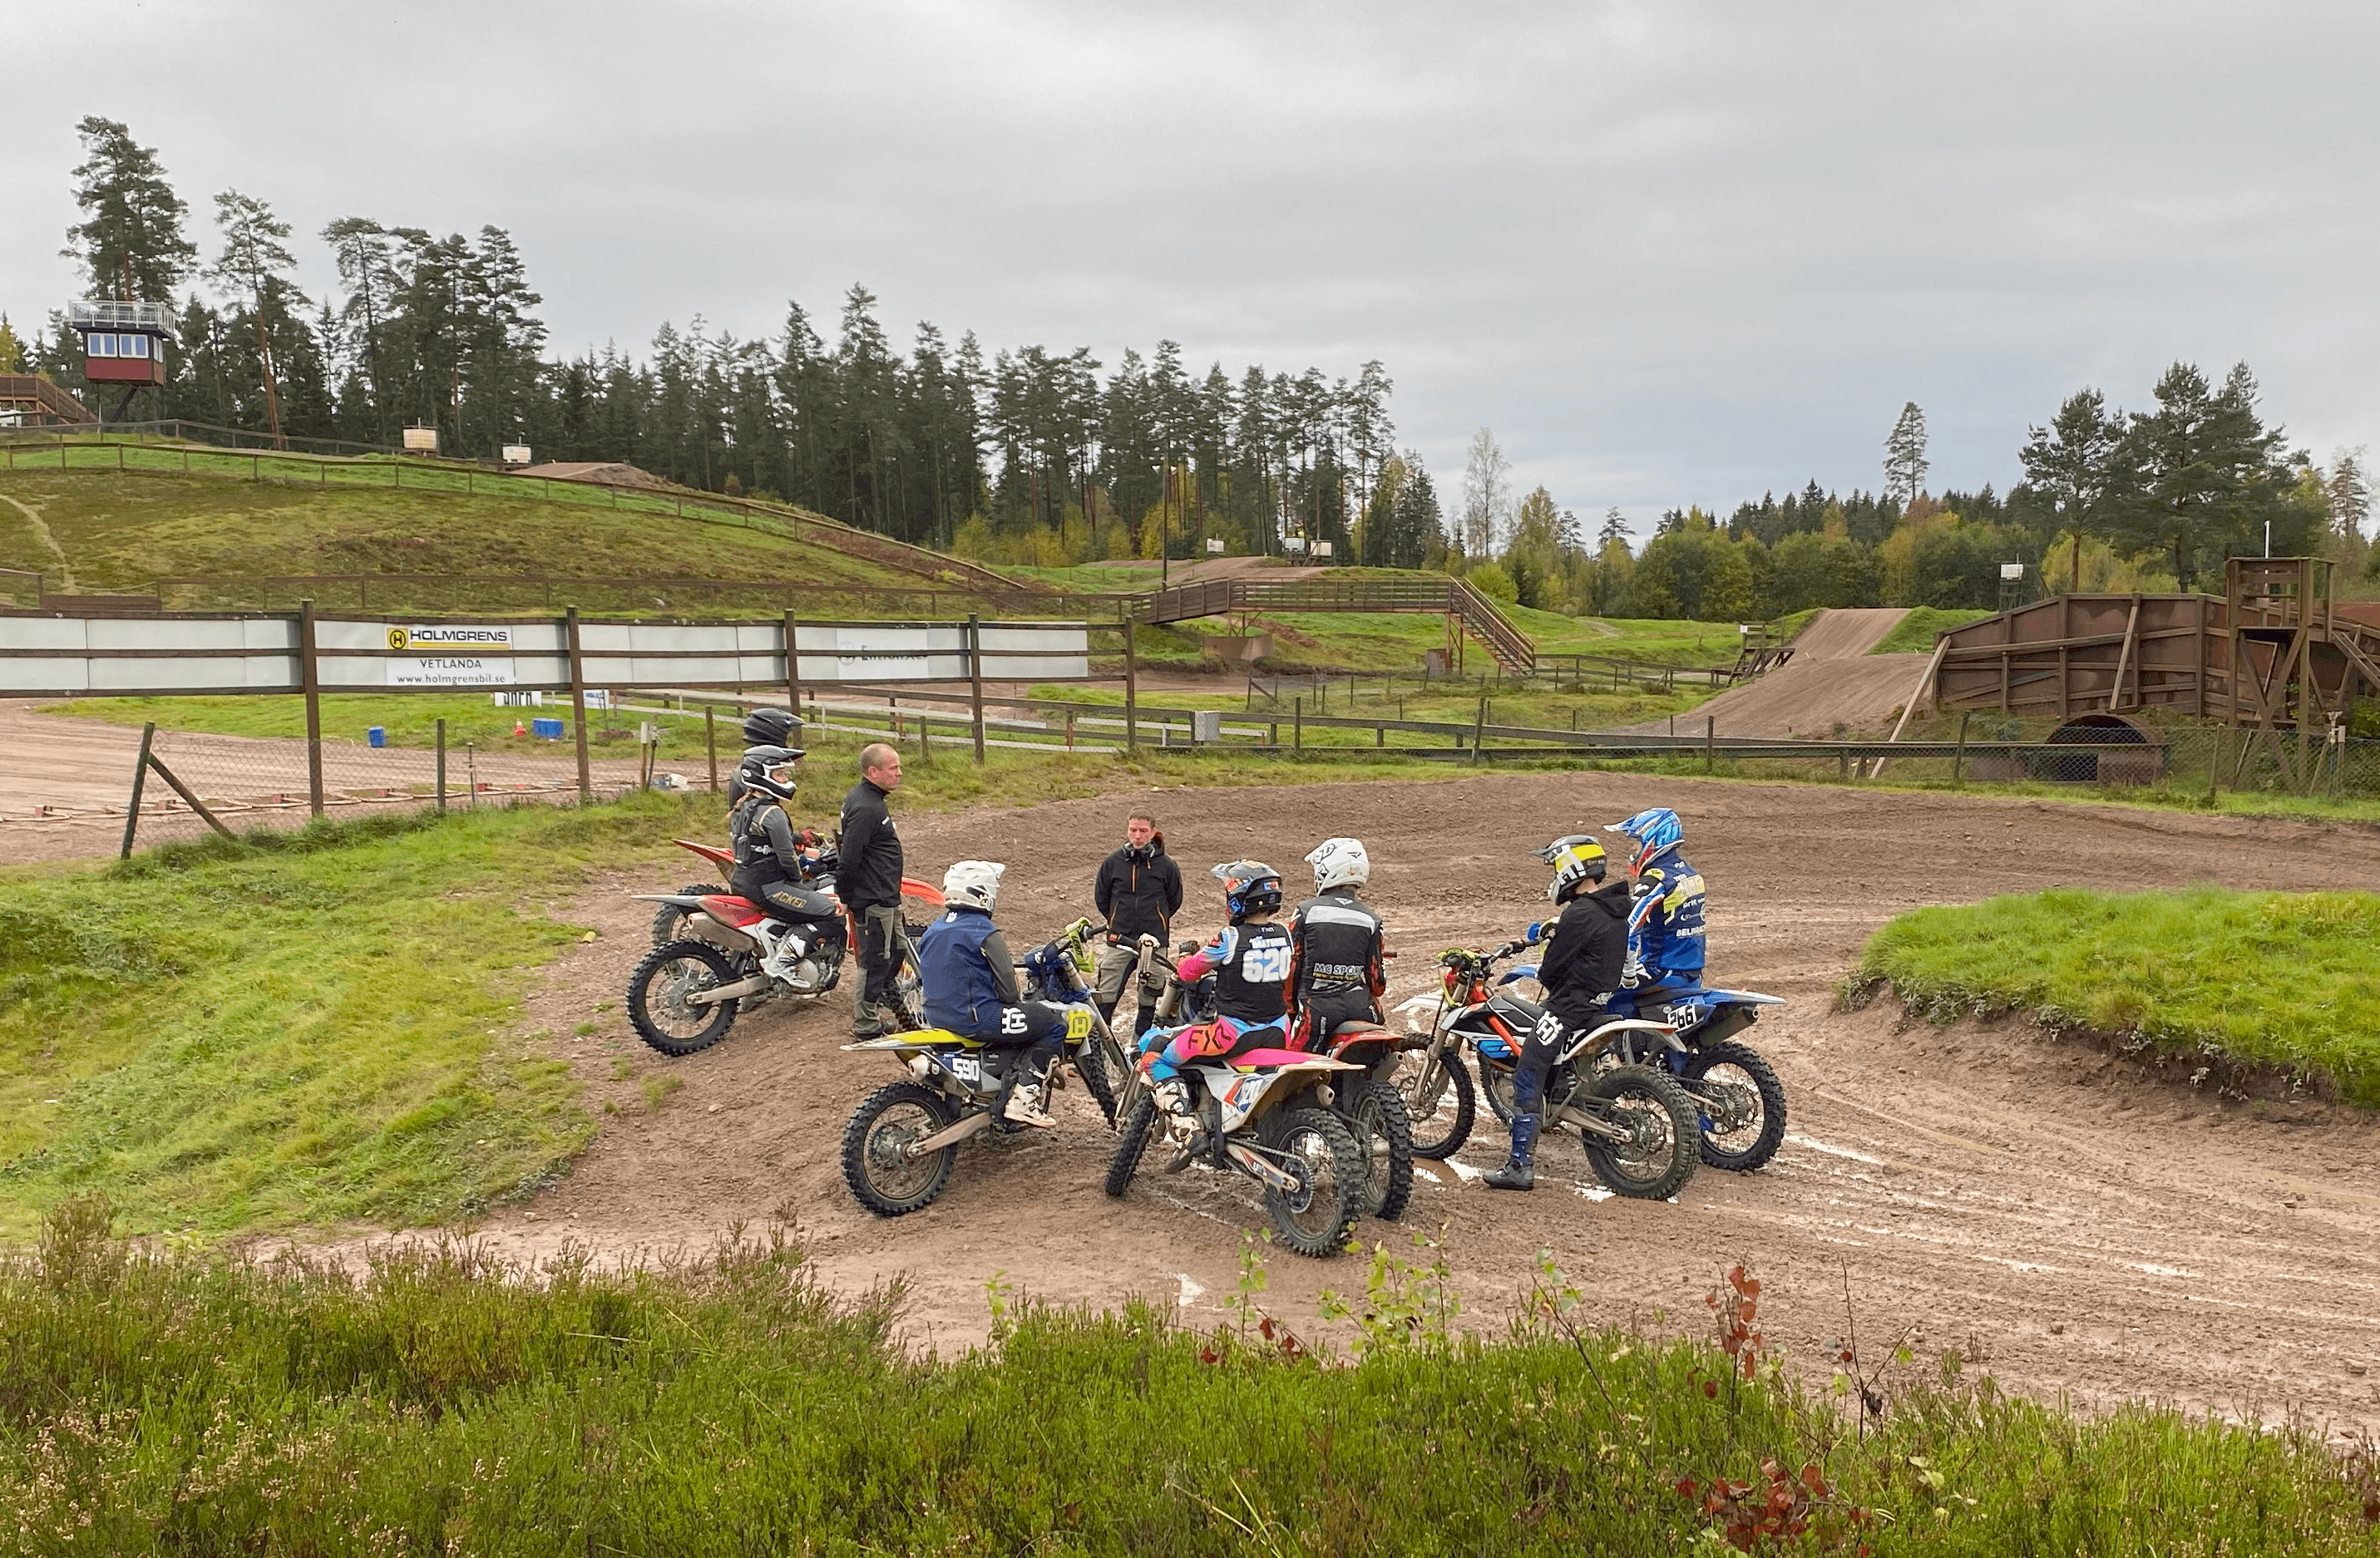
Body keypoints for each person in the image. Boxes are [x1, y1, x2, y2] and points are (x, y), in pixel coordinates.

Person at [1485, 834, 1632, 1191]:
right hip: (1599, 1006)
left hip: (1569, 1009)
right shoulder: (1616, 910)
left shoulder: (1578, 913)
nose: (1553, 873)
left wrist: (1552, 951)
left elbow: (1550, 971)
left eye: (1555, 865)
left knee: (1528, 1070)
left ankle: (1519, 1166)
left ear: (1572, 868)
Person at [916, 861, 1079, 1129]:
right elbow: (1009, 992)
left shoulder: (933, 929)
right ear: (983, 894)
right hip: (977, 1019)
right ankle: (1023, 1100)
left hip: (937, 1017)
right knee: (1052, 1022)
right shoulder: (984, 930)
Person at [1138, 861, 1295, 1115]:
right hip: (1279, 1031)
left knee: (1153, 1048)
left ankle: (1185, 1123)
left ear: (1240, 897)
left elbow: (1188, 973)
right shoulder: (1285, 934)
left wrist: (1185, 956)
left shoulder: (1230, 937)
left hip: (1231, 1035)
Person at [1286, 837, 1388, 1049]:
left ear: (1327, 868)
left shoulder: (1305, 911)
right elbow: (1377, 985)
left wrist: (1288, 1009)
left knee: (1288, 1068)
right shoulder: (1372, 919)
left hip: (1316, 1011)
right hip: (1363, 1009)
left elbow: (1291, 969)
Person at [1604, 807, 1707, 1016]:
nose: (1633, 849)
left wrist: (1628, 974)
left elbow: (1630, 928)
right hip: (1690, 971)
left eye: (1638, 842)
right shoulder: (1689, 873)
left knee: (1595, 995)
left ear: (1654, 840)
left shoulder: (1656, 879)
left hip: (1660, 969)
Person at [1092, 812, 1183, 1042]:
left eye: (1143, 831)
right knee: (1105, 998)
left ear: (1153, 833)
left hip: (1154, 945)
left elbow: (1175, 900)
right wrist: (1117, 921)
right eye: (1133, 830)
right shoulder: (1112, 862)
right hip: (1119, 941)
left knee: (1148, 1002)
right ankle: (1097, 1052)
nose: (1138, 835)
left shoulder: (1167, 866)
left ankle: (1139, 1049)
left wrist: (1156, 921)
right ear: (1127, 830)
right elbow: (1101, 898)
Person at [839, 742, 906, 1039]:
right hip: (874, 899)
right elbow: (849, 858)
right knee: (874, 962)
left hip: (887, 896)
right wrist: (846, 897)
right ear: (873, 771)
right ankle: (865, 1025)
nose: (899, 774)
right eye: (893, 769)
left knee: (897, 952)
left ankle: (877, 1000)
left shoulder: (872, 799)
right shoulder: (866, 807)